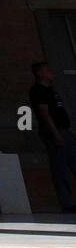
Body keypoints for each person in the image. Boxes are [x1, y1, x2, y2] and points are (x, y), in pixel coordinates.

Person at [29, 60, 76, 211]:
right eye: (47, 70)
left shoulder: (52, 90)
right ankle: (67, 203)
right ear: (39, 73)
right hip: (54, 132)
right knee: (60, 168)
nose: (51, 73)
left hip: (65, 130)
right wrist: (55, 134)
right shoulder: (38, 90)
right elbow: (45, 114)